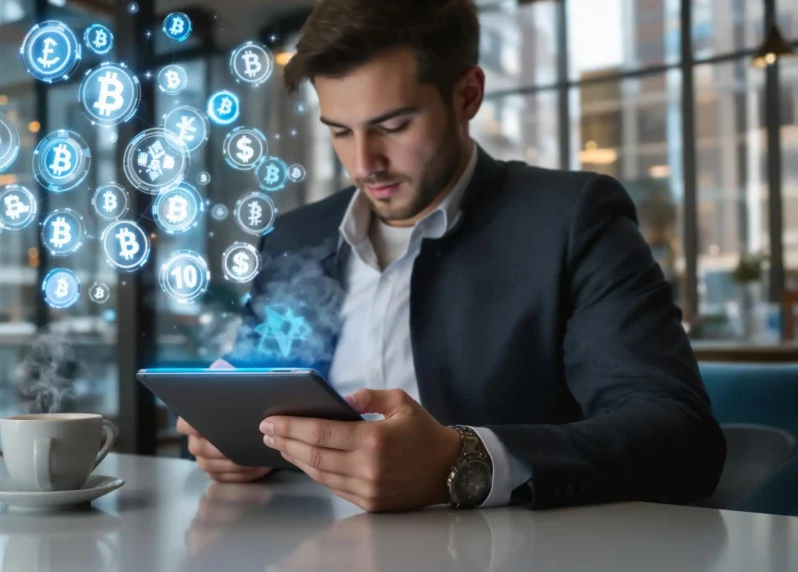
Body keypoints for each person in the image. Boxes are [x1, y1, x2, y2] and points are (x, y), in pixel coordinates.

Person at [177, 0, 726, 513]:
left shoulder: (571, 220)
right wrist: (232, 444)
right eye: (340, 131)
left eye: (392, 127)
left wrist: (462, 462)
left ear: (467, 95)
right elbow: (249, 404)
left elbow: (679, 436)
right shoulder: (295, 238)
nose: (365, 162)